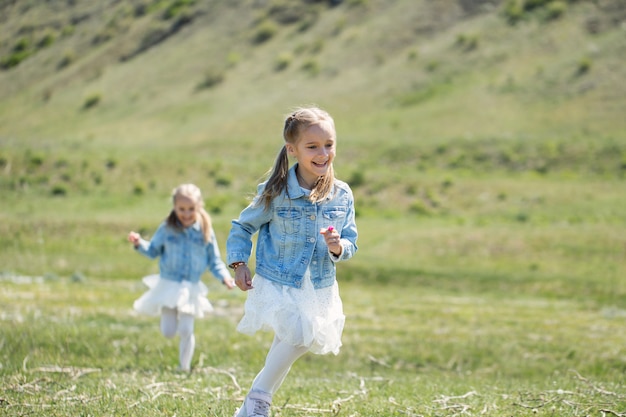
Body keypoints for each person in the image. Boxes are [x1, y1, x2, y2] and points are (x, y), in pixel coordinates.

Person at [227, 107, 358, 417]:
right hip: (280, 279)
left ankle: (248, 410)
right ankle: (259, 400)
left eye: (329, 144)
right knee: (300, 336)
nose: (323, 153)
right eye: (312, 146)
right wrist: (239, 264)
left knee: (289, 342)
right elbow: (243, 227)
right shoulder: (275, 192)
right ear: (293, 149)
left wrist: (339, 247)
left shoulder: (342, 195)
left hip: (319, 284)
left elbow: (351, 240)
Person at [128, 183, 235, 372]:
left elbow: (214, 260)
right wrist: (139, 244)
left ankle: (183, 368)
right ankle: (168, 317)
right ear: (175, 207)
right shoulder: (167, 228)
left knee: (186, 329)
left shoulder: (205, 231)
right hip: (169, 284)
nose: (186, 214)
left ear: (199, 206)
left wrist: (225, 277)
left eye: (191, 209)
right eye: (182, 209)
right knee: (168, 332)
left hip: (190, 286)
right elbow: (153, 251)